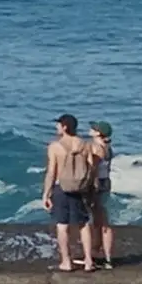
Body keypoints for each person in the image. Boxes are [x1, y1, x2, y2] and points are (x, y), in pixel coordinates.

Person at [41, 113, 97, 272]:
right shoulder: (85, 145)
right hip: (80, 188)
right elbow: (91, 169)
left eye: (58, 124)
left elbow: (51, 172)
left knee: (62, 225)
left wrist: (46, 193)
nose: (56, 127)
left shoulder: (55, 147)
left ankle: (66, 261)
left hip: (62, 188)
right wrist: (90, 189)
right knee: (83, 224)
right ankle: (88, 261)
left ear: (64, 127)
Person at [88, 121, 116, 270]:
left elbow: (93, 170)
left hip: (98, 185)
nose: (90, 129)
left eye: (93, 128)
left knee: (100, 222)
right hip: (106, 183)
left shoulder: (96, 148)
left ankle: (101, 256)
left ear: (98, 133)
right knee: (101, 220)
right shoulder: (108, 148)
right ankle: (103, 256)